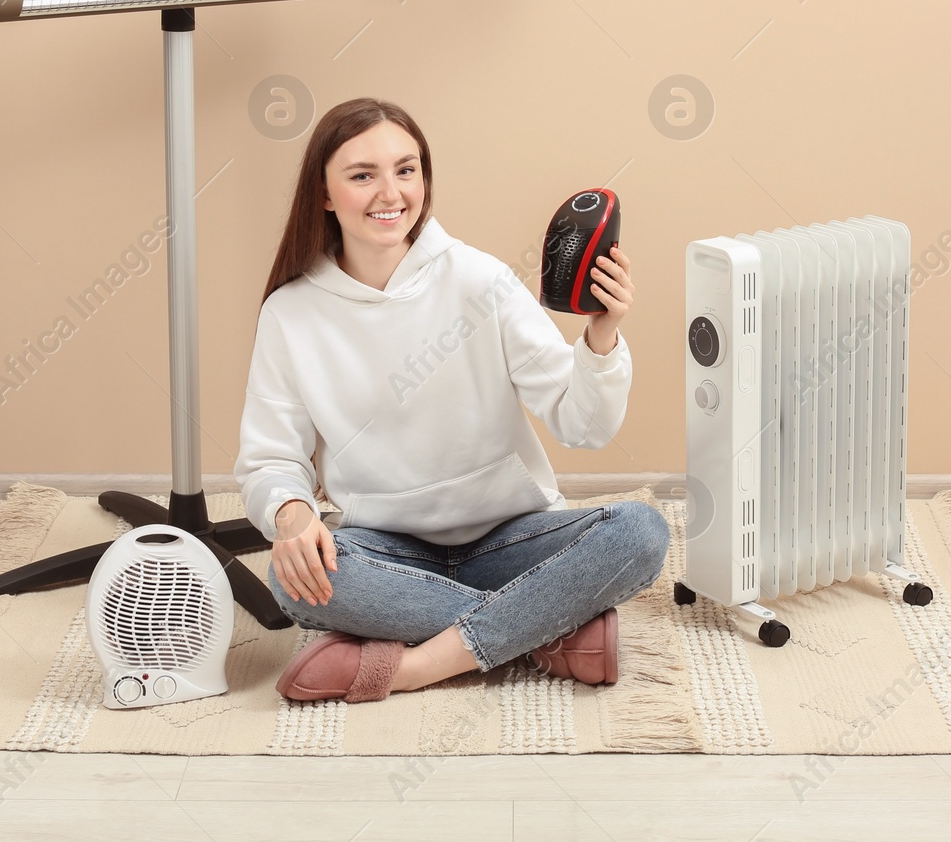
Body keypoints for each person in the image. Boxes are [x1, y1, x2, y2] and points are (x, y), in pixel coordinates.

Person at [234, 97, 670, 703]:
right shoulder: (291, 313)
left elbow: (582, 424)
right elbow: (270, 459)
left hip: (509, 538)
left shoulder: (480, 280)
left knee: (641, 532)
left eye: (406, 170)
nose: (391, 193)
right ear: (325, 194)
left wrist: (602, 332)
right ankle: (548, 634)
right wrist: (291, 514)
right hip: (387, 550)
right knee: (292, 581)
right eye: (363, 175)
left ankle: (416, 667)